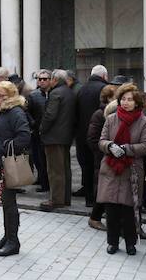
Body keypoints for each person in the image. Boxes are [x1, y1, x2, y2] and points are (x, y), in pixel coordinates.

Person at [97, 83, 146, 255]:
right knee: (111, 210)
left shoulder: (143, 121)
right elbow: (101, 141)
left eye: (130, 100)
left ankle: (130, 243)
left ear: (137, 102)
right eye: (123, 99)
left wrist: (126, 149)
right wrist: (110, 146)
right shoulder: (111, 118)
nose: (126, 102)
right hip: (111, 169)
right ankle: (112, 242)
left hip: (132, 170)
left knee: (129, 210)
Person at [0, 81, 32, 257]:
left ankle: (13, 241)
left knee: (10, 203)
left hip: (8, 164)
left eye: (0, 95)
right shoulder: (0, 112)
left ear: (10, 96)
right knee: (5, 202)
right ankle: (7, 236)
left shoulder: (16, 112)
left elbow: (25, 136)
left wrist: (6, 147)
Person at [39, 69, 77, 211]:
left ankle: (56, 200)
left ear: (55, 79)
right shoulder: (69, 92)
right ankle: (64, 198)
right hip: (65, 136)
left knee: (55, 170)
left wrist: (42, 129)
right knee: (64, 169)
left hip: (54, 137)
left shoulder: (56, 93)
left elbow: (50, 115)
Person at [74, 65, 109, 206]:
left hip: (83, 135)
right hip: (98, 135)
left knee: (86, 167)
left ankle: (89, 198)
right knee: (98, 168)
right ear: (104, 76)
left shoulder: (81, 89)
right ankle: (97, 199)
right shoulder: (104, 89)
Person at [87, 85, 117, 231]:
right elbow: (92, 139)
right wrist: (103, 152)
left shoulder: (113, 113)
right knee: (102, 189)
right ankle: (95, 217)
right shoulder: (100, 114)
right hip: (103, 158)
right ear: (109, 98)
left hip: (110, 157)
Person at [29, 69, 51, 193]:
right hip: (37, 133)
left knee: (48, 160)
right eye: (39, 79)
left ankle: (47, 181)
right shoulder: (33, 95)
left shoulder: (53, 93)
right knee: (38, 158)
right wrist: (32, 123)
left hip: (51, 133)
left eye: (44, 79)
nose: (42, 81)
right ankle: (42, 181)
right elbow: (27, 112)